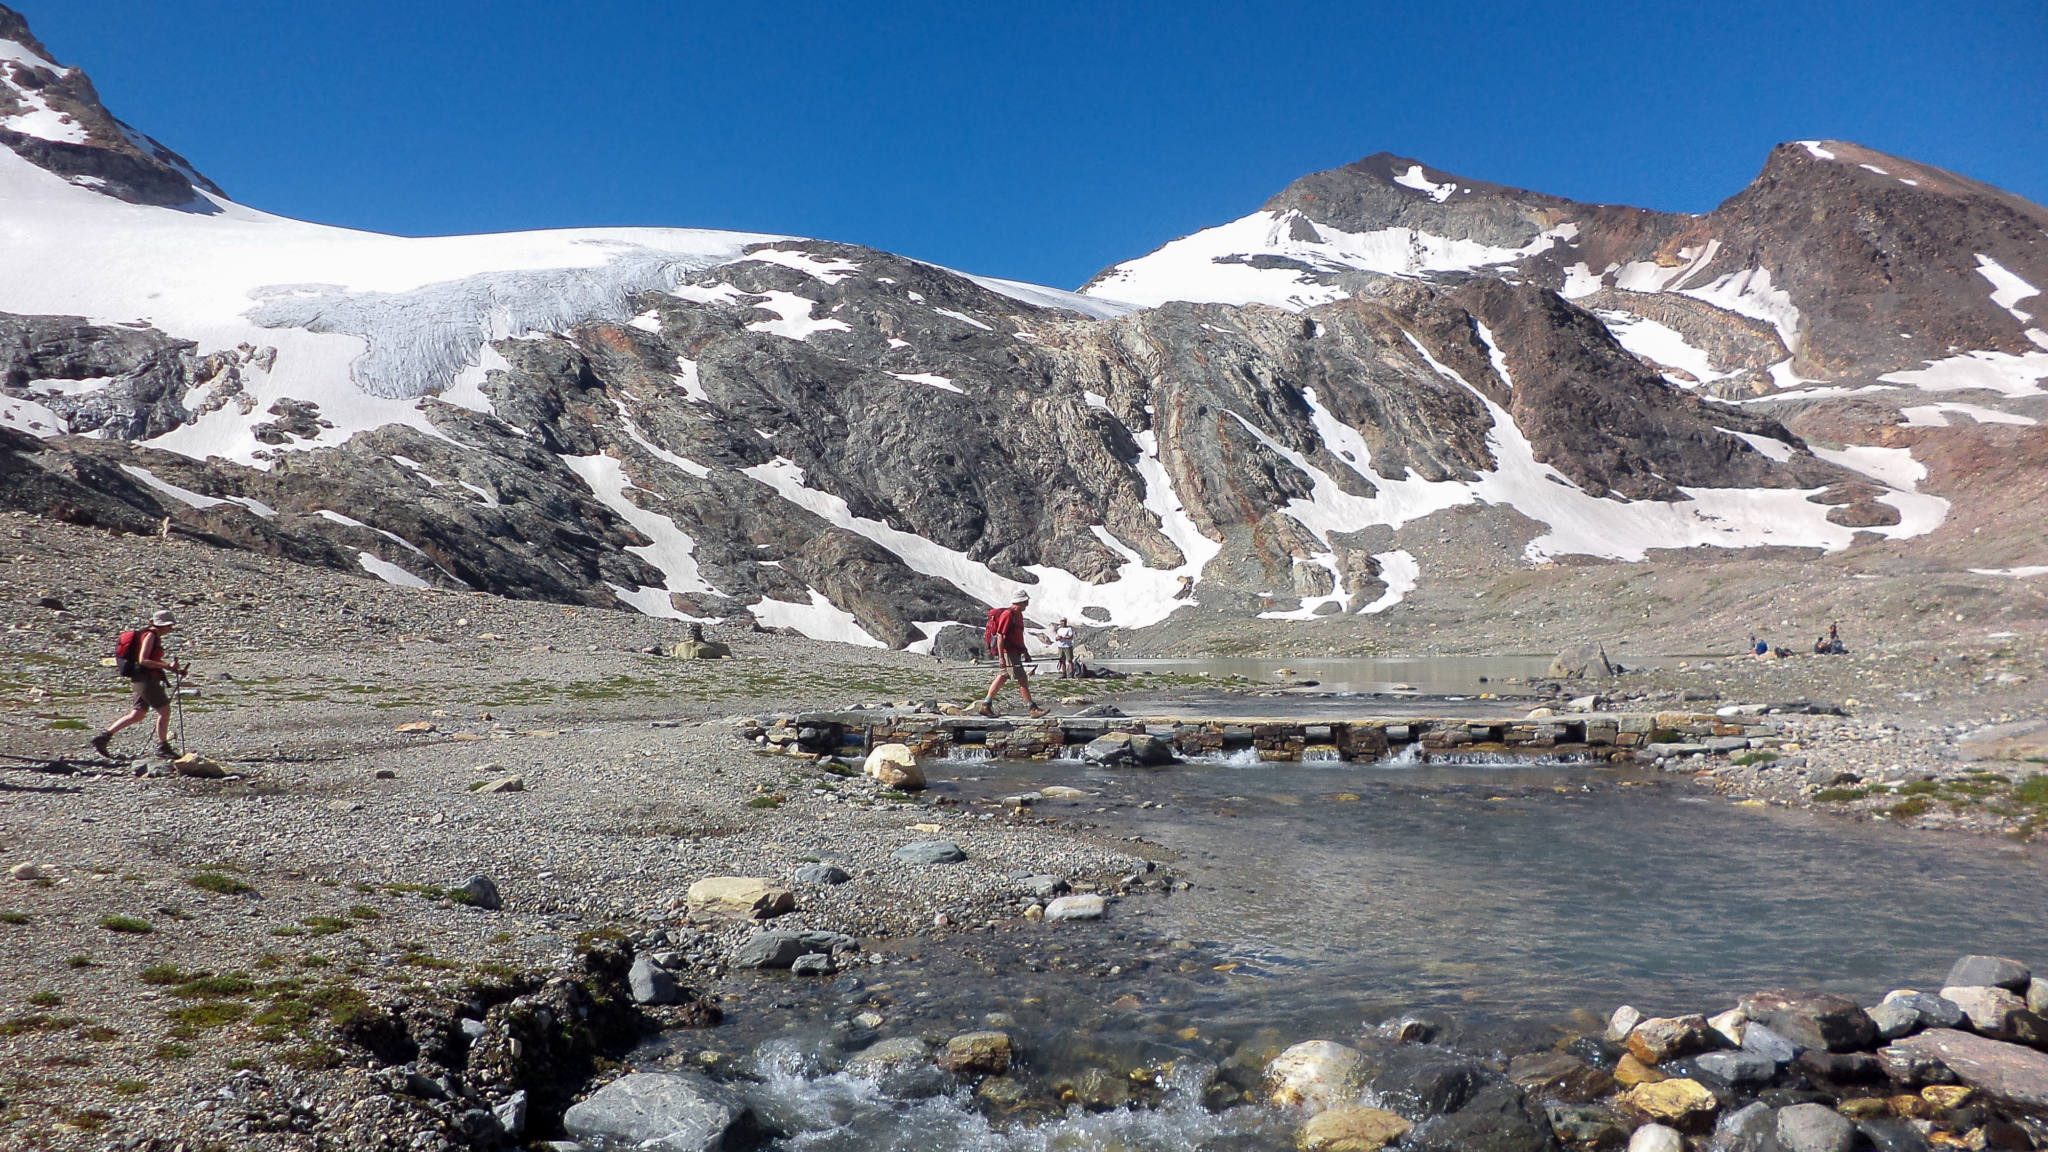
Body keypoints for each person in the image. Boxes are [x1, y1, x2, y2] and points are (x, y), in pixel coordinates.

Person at [91, 610, 185, 759]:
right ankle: (163, 747)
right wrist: (167, 666)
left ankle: (104, 737)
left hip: (140, 678)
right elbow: (144, 660)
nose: (170, 629)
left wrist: (172, 669)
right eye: (169, 626)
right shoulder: (151, 636)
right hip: (146, 679)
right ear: (163, 625)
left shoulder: (147, 634)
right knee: (164, 711)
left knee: (138, 714)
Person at [978, 592, 1047, 718]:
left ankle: (986, 705)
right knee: (1022, 678)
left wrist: (1025, 652)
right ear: (1020, 602)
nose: (1027, 604)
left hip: (1014, 652)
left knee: (1002, 677)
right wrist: (1001, 658)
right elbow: (1000, 637)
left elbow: (1018, 637)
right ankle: (1032, 708)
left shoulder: (1018, 615)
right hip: (1008, 653)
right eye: (1026, 601)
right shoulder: (1008, 614)